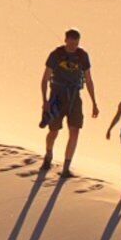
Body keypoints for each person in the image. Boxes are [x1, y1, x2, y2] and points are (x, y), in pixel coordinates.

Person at [38, 30, 96, 174]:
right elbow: (45, 79)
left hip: (75, 97)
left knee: (75, 131)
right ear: (65, 40)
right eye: (71, 43)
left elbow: (88, 79)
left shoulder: (82, 56)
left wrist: (94, 102)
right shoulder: (56, 55)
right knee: (53, 131)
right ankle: (48, 155)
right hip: (57, 96)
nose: (73, 46)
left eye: (76, 43)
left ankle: (66, 167)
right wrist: (45, 101)